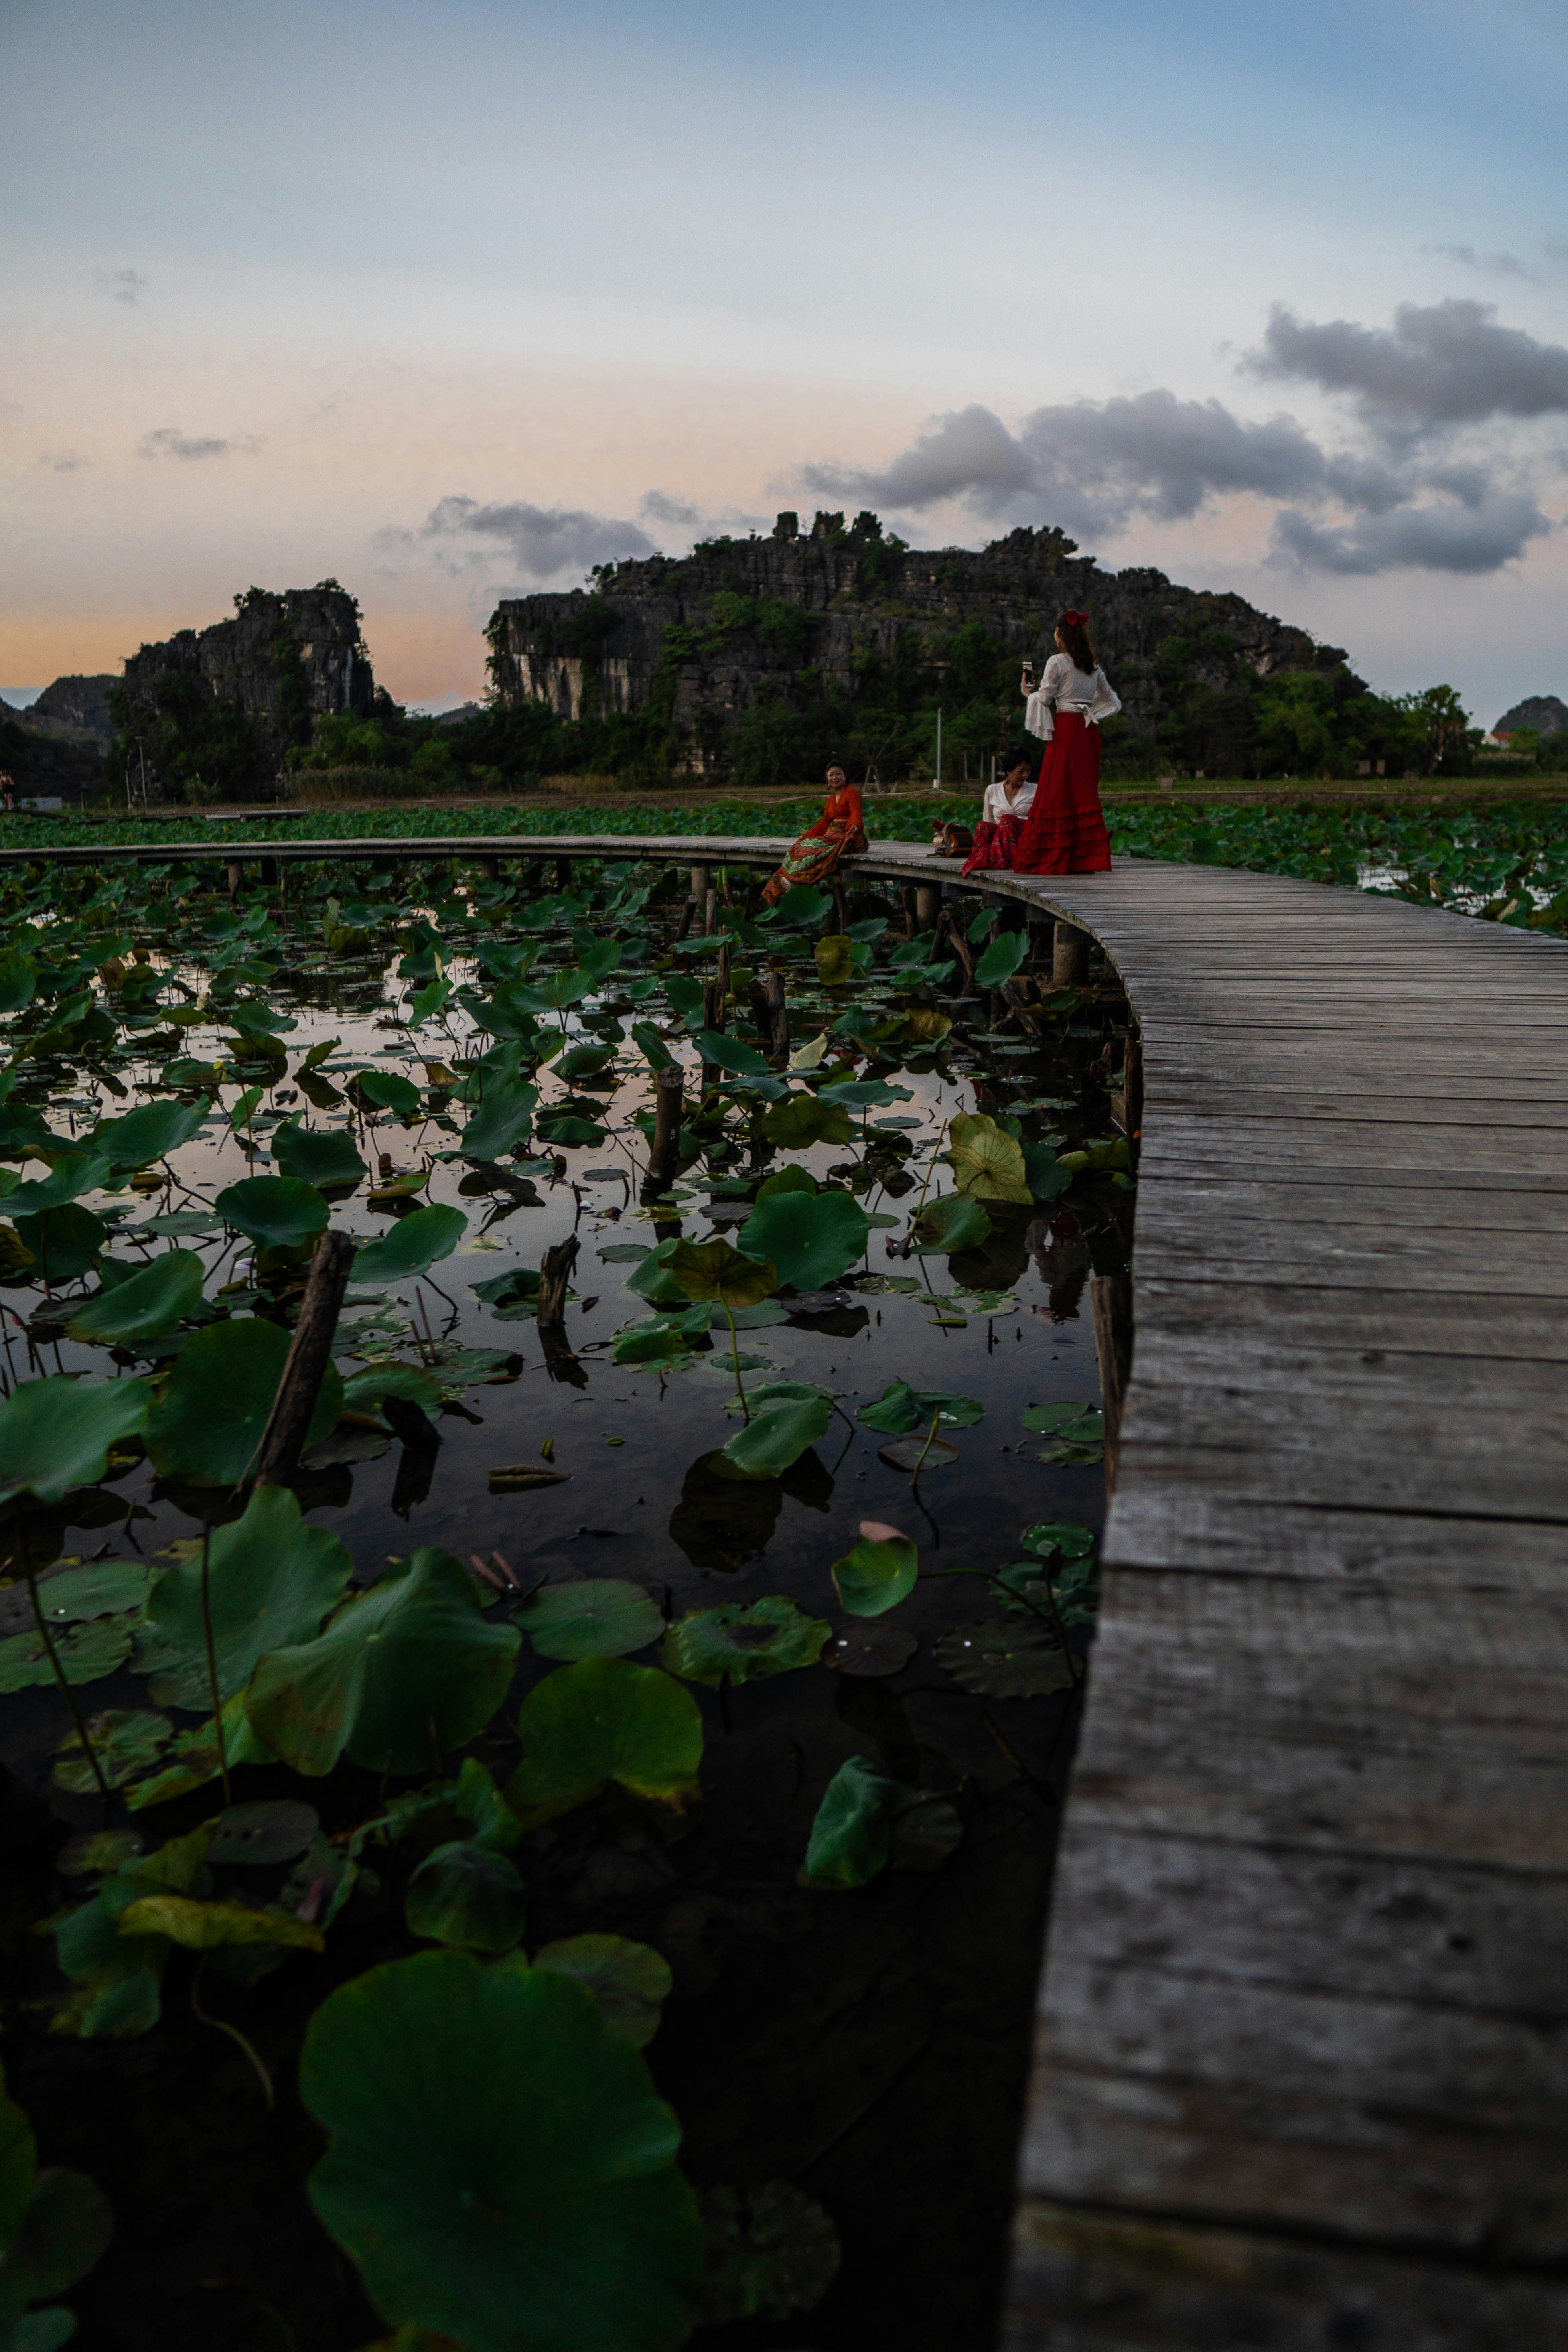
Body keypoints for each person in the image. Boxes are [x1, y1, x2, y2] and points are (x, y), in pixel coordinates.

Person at [1011, 611, 1120, 875]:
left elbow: (1045, 698)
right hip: (1088, 730)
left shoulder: (1056, 661)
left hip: (1068, 728)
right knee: (1083, 791)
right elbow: (1111, 699)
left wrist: (1028, 693)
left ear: (1062, 637)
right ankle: (1084, 859)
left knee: (1057, 788)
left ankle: (1054, 855)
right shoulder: (1092, 664)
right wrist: (1088, 707)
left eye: (1056, 634)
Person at [761, 762, 867, 905]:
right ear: (827, 778)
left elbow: (856, 812)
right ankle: (791, 879)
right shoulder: (831, 800)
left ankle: (800, 882)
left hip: (849, 835)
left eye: (838, 774)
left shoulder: (852, 793)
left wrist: (854, 827)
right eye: (831, 775)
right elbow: (825, 823)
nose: (835, 777)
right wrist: (805, 836)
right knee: (802, 846)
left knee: (817, 850)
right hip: (831, 836)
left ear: (845, 775)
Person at [961, 747, 1035, 875]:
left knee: (1008, 820)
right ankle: (989, 858)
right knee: (983, 826)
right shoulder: (992, 790)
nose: (1025, 775)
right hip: (1000, 840)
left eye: (1027, 771)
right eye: (1021, 771)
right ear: (1009, 771)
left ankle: (1007, 861)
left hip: (1024, 837)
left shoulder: (1035, 790)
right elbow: (988, 820)